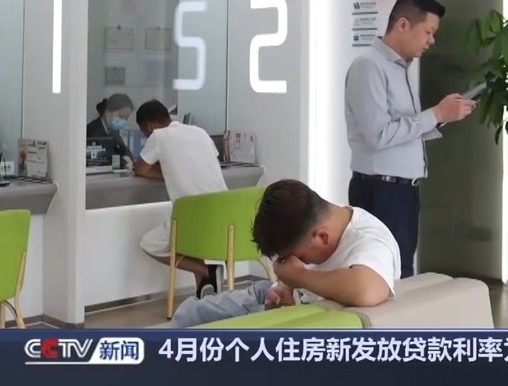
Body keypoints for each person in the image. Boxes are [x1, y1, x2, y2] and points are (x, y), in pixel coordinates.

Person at [343, 0, 476, 278]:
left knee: (401, 271)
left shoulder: (400, 69)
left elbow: (402, 132)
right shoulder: (368, 66)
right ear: (403, 24)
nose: (431, 40)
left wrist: (443, 117)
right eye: (428, 32)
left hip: (402, 191)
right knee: (384, 274)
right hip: (380, 191)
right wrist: (436, 114)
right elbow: (378, 135)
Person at [170, 179, 401, 328]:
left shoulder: (370, 241)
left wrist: (297, 277)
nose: (287, 264)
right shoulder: (323, 216)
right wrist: (285, 285)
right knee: (188, 314)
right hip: (278, 297)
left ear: (322, 237)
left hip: (303, 314)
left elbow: (367, 289)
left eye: (297, 257)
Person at [132, 99, 229, 298]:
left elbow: (141, 169)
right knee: (192, 245)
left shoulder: (158, 136)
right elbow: (205, 161)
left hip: (192, 215)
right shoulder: (199, 132)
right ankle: (205, 292)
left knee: (150, 244)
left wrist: (166, 172)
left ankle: (206, 271)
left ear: (150, 126)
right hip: (225, 214)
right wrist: (171, 170)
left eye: (144, 132)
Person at [87, 92, 134, 166]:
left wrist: (127, 158)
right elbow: (99, 160)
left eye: (126, 118)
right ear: (107, 112)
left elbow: (124, 150)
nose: (123, 121)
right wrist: (123, 162)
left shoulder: (113, 131)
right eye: (120, 116)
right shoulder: (92, 131)